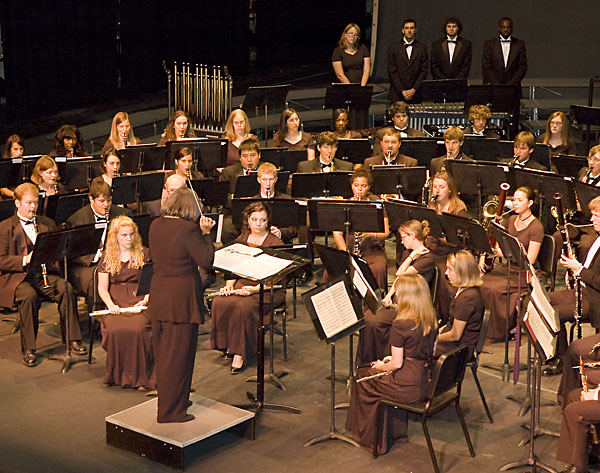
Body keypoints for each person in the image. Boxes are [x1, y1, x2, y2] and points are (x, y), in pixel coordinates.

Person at [346, 274, 438, 455]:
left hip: (406, 386)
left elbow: (396, 364)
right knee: (375, 375)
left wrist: (381, 366)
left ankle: (370, 439)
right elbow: (417, 353)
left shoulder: (401, 324)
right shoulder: (430, 319)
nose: (395, 297)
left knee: (363, 378)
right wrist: (391, 361)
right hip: (423, 381)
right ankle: (395, 433)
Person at [0, 183, 87, 367]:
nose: (33, 207)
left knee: (66, 289)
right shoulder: (4, 227)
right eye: (29, 203)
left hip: (44, 274)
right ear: (17, 203)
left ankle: (73, 339)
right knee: (29, 296)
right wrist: (24, 259)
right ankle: (30, 349)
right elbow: (1, 260)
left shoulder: (46, 223)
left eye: (36, 203)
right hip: (20, 277)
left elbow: (57, 250)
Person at [148, 187, 215, 423]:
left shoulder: (156, 224)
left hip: (159, 295)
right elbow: (206, 259)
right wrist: (206, 234)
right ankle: (171, 412)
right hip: (181, 299)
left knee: (165, 355)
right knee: (179, 357)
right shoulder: (188, 230)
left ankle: (174, 401)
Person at [210, 201, 284, 373]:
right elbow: (231, 269)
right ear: (248, 220)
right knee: (220, 302)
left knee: (243, 307)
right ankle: (227, 345)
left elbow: (279, 278)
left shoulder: (275, 243)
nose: (258, 224)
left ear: (268, 221)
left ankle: (241, 353)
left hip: (267, 288)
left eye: (263, 220)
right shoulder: (241, 240)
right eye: (255, 219)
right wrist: (229, 286)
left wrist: (255, 289)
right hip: (242, 284)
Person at [358, 219, 434, 364]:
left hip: (412, 306)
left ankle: (376, 359)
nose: (401, 242)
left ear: (412, 236)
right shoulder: (408, 253)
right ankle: (368, 361)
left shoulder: (427, 258)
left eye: (403, 237)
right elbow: (398, 281)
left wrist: (413, 256)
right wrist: (389, 295)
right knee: (368, 316)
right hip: (399, 301)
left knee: (373, 320)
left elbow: (400, 273)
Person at [96, 215, 154, 390]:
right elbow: (102, 288)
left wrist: (145, 300)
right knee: (115, 329)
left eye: (131, 234)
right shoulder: (107, 257)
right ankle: (119, 375)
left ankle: (141, 377)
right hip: (116, 302)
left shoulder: (144, 253)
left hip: (139, 300)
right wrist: (111, 305)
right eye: (124, 235)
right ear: (115, 236)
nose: (129, 239)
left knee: (138, 329)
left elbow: (152, 283)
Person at [544, 196, 600, 377]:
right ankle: (553, 353)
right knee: (546, 301)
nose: (591, 220)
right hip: (583, 289)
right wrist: (574, 272)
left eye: (596, 215)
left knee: (556, 314)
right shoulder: (596, 237)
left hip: (595, 298)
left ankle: (562, 359)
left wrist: (579, 269)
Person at [480, 186, 543, 340]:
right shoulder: (511, 220)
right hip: (508, 268)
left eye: (520, 200)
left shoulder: (536, 227)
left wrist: (501, 253)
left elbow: (531, 259)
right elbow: (500, 245)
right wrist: (487, 252)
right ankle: (484, 327)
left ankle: (501, 330)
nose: (515, 203)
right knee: (480, 282)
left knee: (494, 289)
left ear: (530, 203)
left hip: (524, 272)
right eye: (513, 199)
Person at [66, 181, 130, 306]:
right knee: (97, 279)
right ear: (91, 199)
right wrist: (96, 256)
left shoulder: (122, 214)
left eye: (109, 200)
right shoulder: (77, 220)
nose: (106, 205)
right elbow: (73, 253)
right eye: (102, 201)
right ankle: (97, 319)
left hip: (115, 261)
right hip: (86, 265)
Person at [332, 168, 390, 289]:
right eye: (356, 185)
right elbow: (337, 234)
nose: (359, 189)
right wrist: (345, 253)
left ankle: (376, 299)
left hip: (371, 246)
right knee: (335, 266)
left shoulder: (378, 205)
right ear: (351, 186)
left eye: (363, 186)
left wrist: (370, 234)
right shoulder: (344, 205)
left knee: (379, 267)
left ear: (368, 187)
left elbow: (386, 232)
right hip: (348, 245)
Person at [426, 171, 470, 322]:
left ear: (450, 189)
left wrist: (438, 234)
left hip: (451, 253)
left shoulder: (459, 210)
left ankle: (446, 319)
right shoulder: (431, 206)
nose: (437, 190)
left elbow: (458, 241)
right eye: (435, 186)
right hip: (433, 250)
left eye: (442, 187)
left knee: (445, 280)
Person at [435, 250, 483, 357]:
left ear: (462, 272)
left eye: (450, 269)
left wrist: (432, 339)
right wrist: (435, 333)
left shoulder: (467, 298)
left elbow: (455, 335)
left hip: (459, 349)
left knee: (415, 348)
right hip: (454, 344)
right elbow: (450, 325)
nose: (446, 273)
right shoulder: (463, 290)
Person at [252, 162, 296, 242]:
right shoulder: (252, 202)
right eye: (264, 180)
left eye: (271, 179)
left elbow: (293, 229)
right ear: (258, 180)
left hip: (281, 242)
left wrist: (280, 232)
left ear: (276, 179)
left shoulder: (286, 200)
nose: (268, 184)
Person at [387, 19, 428, 104]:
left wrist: (413, 90)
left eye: (412, 28)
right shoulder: (394, 47)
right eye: (407, 28)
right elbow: (392, 71)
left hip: (416, 94)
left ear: (415, 30)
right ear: (402, 30)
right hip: (397, 94)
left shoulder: (422, 47)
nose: (409, 31)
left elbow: (424, 71)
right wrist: (402, 90)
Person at [482, 17, 527, 90]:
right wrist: (497, 85)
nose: (505, 30)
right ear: (499, 28)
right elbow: (486, 67)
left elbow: (522, 67)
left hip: (513, 88)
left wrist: (510, 84)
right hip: (493, 88)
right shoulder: (489, 44)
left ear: (512, 28)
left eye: (508, 27)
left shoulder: (519, 45)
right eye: (503, 27)